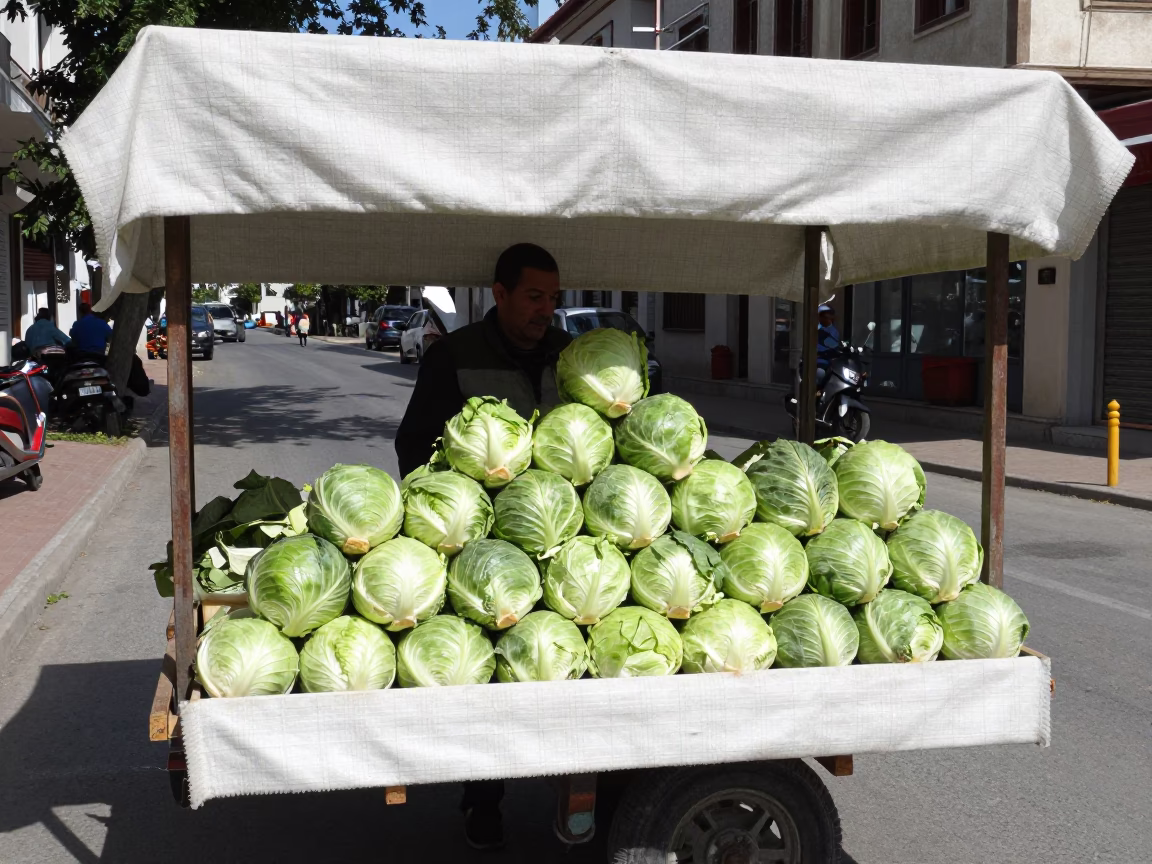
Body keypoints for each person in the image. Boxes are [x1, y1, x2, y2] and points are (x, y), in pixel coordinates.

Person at [394, 243, 568, 851]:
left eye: (552, 297)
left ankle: (572, 775)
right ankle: (484, 795)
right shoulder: (455, 357)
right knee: (482, 671)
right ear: (500, 293)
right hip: (475, 542)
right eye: (532, 297)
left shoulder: (570, 357)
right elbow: (413, 445)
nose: (545, 309)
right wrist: (446, 516)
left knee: (558, 660)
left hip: (564, 532)